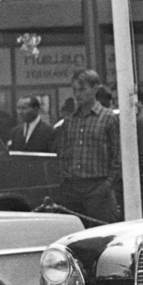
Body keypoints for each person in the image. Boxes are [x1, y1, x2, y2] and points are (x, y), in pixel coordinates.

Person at [50, 68, 121, 224]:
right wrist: (64, 180)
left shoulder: (108, 118)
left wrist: (107, 185)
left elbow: (118, 156)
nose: (77, 94)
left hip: (97, 186)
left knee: (101, 233)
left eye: (82, 89)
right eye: (75, 90)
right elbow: (62, 153)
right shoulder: (70, 120)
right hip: (72, 186)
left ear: (95, 89)